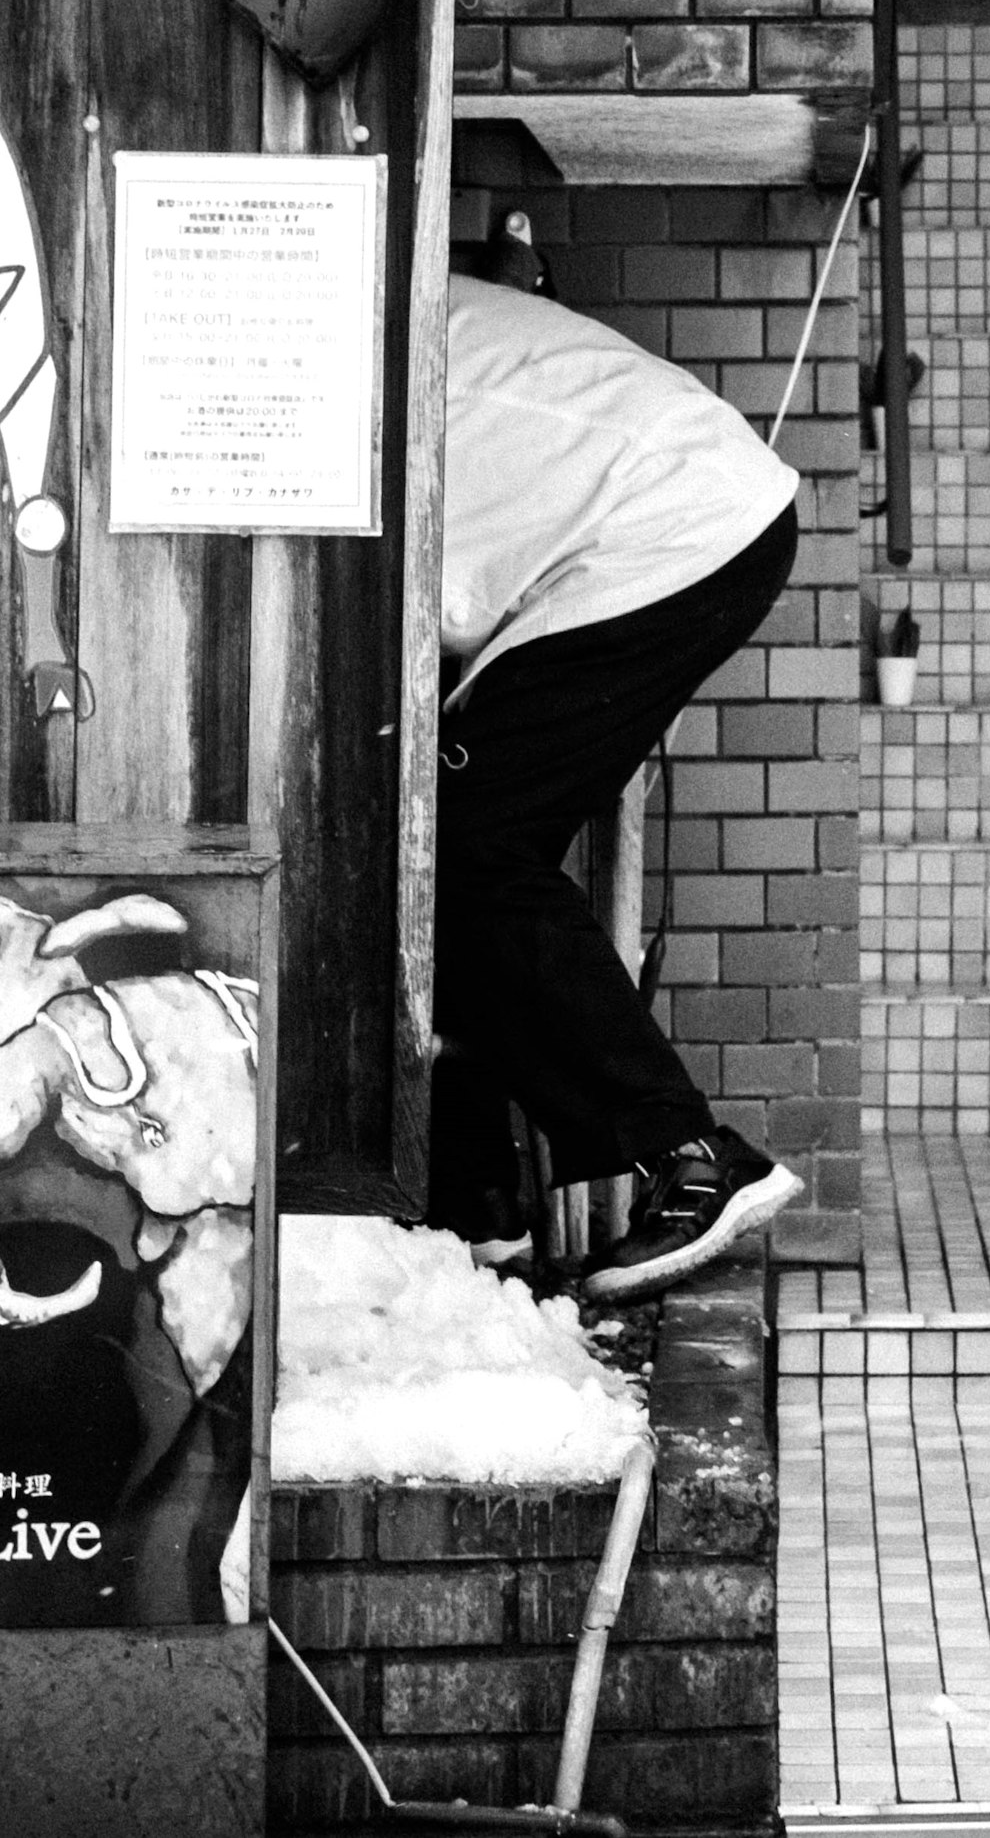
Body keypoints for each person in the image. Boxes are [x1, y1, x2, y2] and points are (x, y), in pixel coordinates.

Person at [436, 273, 806, 1299]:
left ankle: (690, 1158)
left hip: (669, 532)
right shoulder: (377, 306)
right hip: (684, 513)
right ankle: (475, 1203)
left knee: (466, 848)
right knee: (442, 850)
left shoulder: (330, 368)